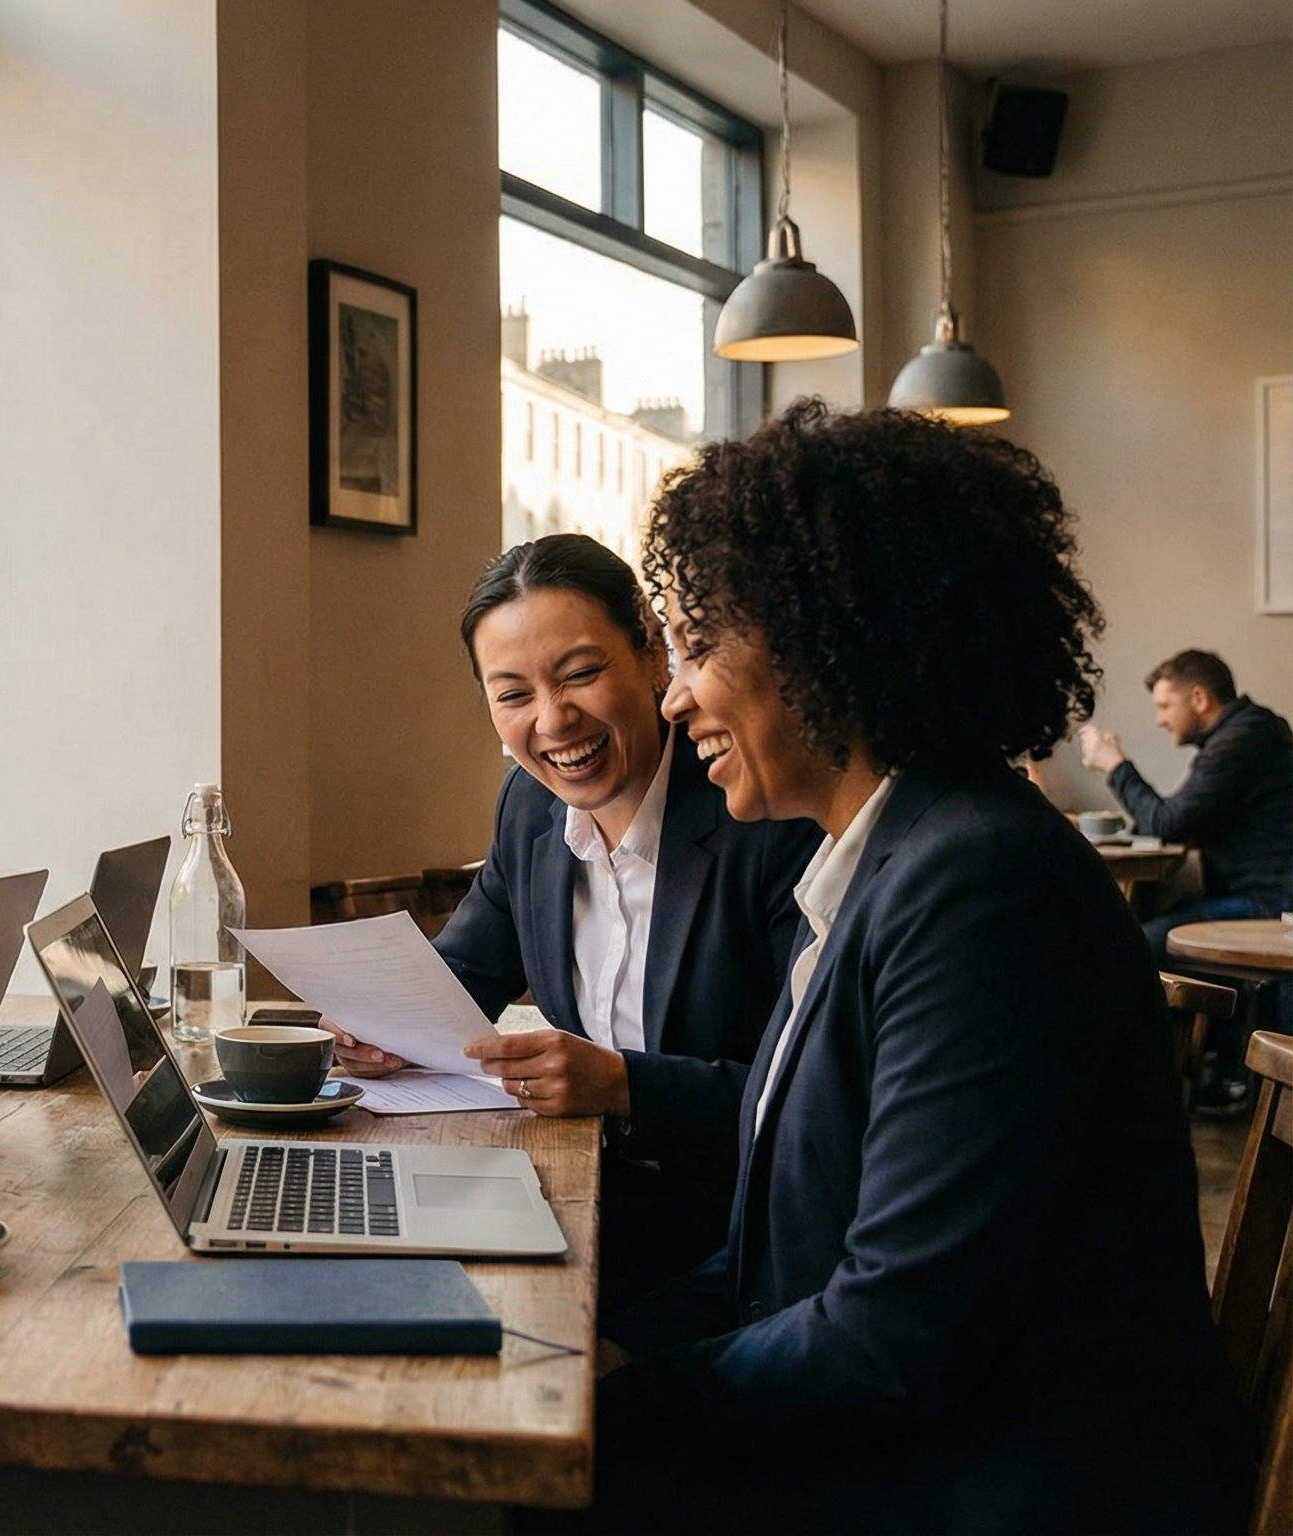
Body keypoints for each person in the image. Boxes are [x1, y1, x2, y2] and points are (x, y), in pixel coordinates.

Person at [592, 403, 1245, 1533]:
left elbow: (895, 1338)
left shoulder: (977, 886)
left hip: (988, 1489)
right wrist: (593, 1355)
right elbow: (762, 1260)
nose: (672, 693)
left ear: (812, 635)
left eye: (694, 645)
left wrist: (612, 1402)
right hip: (903, 1449)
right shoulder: (876, 863)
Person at [331, 535, 814, 1319]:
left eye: (581, 674)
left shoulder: (761, 815)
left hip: (733, 1237)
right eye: (512, 693)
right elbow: (457, 980)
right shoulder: (529, 810)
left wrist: (625, 1086)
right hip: (583, 1194)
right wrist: (379, 1027)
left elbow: (805, 1099)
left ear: (654, 657)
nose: (554, 721)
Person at [1079, 648, 1293, 1110]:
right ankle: (1212, 1075)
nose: (1159, 720)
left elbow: (1168, 822)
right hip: (1267, 897)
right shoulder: (1250, 733)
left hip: (1275, 905)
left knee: (1144, 942)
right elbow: (1180, 819)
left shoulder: (1242, 741)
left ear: (1198, 698)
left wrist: (1116, 766)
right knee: (1153, 929)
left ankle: (1148, 1091)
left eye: (1163, 706)